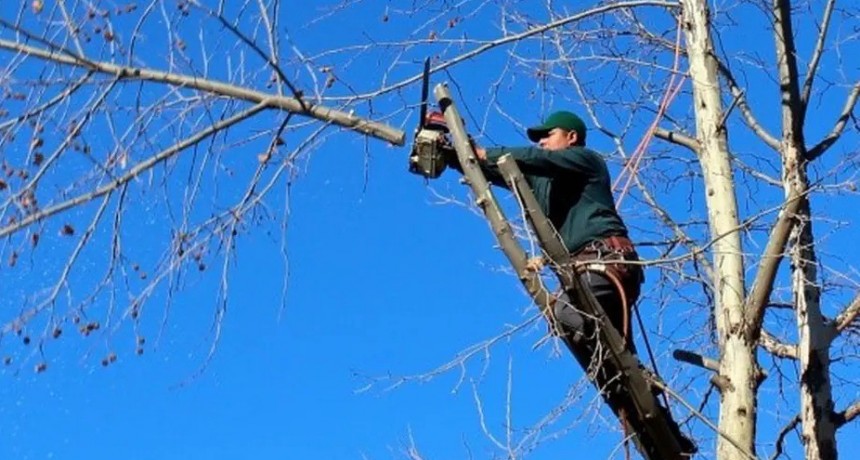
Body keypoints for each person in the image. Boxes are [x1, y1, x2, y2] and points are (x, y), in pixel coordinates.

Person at [449, 110, 644, 351]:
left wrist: (485, 152)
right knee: (613, 358)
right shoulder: (542, 180)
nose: (541, 142)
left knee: (565, 313)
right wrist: (454, 154)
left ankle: (620, 362)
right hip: (583, 271)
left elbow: (534, 159)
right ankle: (632, 379)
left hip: (606, 260)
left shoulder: (586, 160)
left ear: (571, 137)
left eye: (548, 135)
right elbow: (496, 169)